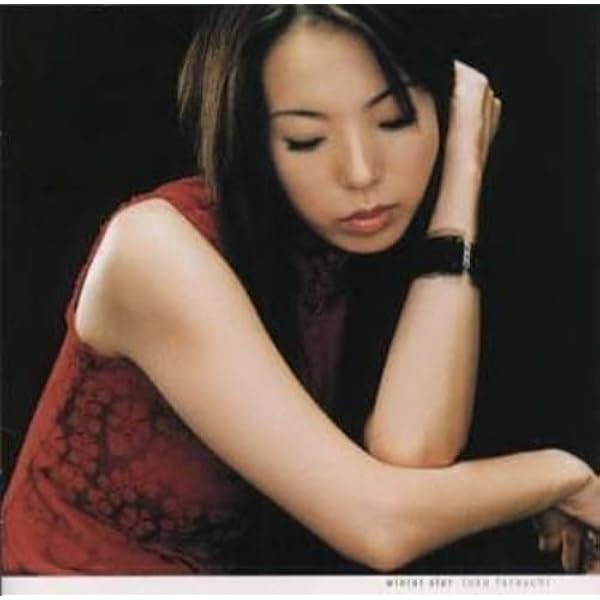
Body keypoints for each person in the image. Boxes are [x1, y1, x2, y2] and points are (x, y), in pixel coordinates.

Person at [2, 5, 599, 575]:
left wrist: (463, 173)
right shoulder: (155, 249)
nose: (361, 172)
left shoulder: (345, 245)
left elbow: (412, 454)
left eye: (394, 120)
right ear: (250, 139)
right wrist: (562, 477)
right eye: (307, 139)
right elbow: (379, 526)